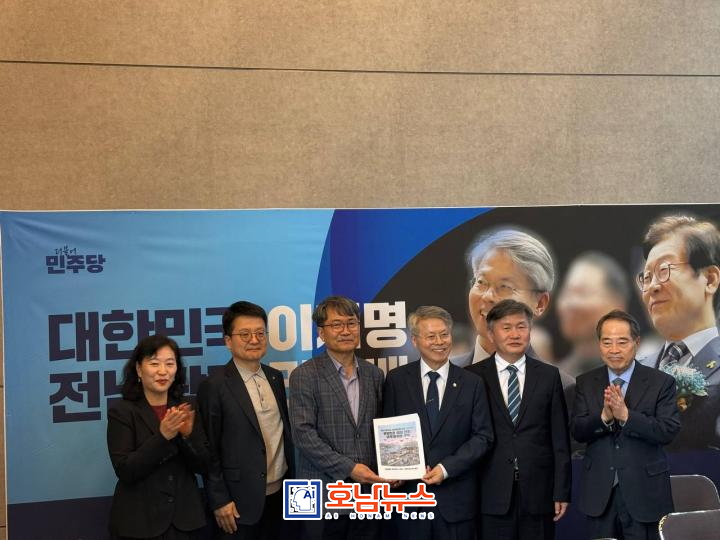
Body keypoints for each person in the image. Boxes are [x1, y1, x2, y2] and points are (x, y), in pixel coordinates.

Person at [383, 306, 493, 539]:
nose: (439, 342)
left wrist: (445, 468)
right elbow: (387, 431)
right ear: (415, 341)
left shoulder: (472, 383)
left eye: (444, 334)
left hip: (456, 502)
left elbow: (483, 437)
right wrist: (395, 470)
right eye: (431, 336)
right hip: (410, 500)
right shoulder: (396, 380)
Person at [466, 299, 571, 540]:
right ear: (491, 334)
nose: (515, 334)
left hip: (538, 492)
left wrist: (561, 491)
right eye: (506, 327)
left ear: (530, 330)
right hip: (489, 492)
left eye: (521, 327)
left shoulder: (549, 376)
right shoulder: (472, 377)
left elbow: (559, 439)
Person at [573, 310, 680, 540]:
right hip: (600, 494)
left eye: (622, 342)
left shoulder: (661, 382)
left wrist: (626, 416)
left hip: (645, 493)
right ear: (599, 345)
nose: (614, 350)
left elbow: (667, 430)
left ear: (636, 343)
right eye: (607, 342)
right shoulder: (585, 382)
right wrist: (603, 418)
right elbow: (577, 431)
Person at [289, 295, 386, 540]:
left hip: (367, 491)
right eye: (336, 324)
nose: (345, 330)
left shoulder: (374, 374)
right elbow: (303, 435)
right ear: (321, 333)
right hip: (321, 492)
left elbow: (381, 429)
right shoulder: (304, 375)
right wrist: (349, 469)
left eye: (351, 323)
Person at [197, 301, 294, 539]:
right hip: (238, 502)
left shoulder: (274, 377)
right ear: (228, 341)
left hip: (281, 494)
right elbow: (208, 448)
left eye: (260, 333)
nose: (254, 339)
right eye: (245, 334)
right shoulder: (214, 386)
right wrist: (220, 499)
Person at [107, 334, 210, 540]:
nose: (163, 371)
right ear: (139, 369)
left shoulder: (185, 407)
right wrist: (163, 437)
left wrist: (188, 436)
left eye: (170, 364)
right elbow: (126, 470)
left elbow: (204, 466)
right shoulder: (122, 412)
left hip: (184, 520)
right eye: (154, 364)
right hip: (141, 521)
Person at [637, 214, 720, 450]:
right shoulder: (633, 370)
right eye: (647, 277)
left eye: (664, 270)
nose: (652, 287)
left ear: (710, 279)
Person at [556, 251, 630, 378]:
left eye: (582, 293)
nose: (570, 303)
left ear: (617, 305)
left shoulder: (641, 373)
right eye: (567, 293)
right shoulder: (555, 378)